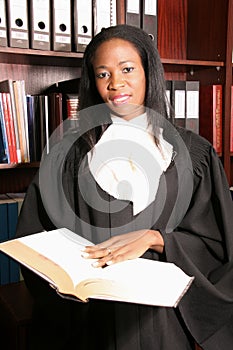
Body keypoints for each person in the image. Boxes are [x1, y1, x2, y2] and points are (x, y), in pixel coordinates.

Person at [16, 24, 233, 350]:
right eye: (103, 74)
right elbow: (39, 235)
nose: (115, 83)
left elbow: (217, 243)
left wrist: (158, 239)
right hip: (93, 319)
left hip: (164, 323)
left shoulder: (194, 155)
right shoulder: (70, 154)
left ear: (149, 73)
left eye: (127, 69)